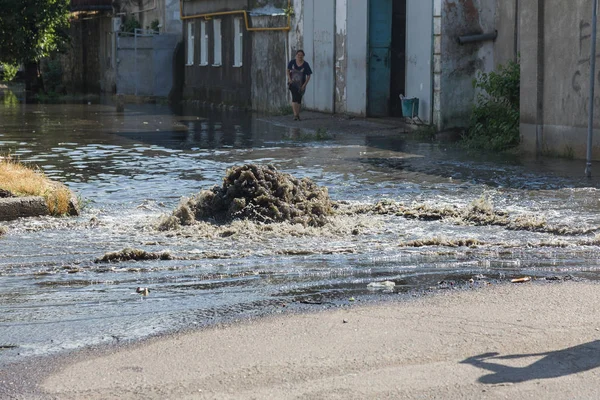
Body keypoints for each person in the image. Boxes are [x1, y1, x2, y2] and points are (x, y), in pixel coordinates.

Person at [287, 50, 312, 121]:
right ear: (296, 55)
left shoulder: (306, 64)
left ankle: (297, 115)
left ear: (303, 56)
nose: (300, 56)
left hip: (301, 84)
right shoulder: (292, 62)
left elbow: (309, 75)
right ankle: (295, 115)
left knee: (299, 99)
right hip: (293, 83)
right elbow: (288, 70)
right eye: (298, 55)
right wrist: (289, 79)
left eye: (301, 55)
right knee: (294, 98)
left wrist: (304, 85)